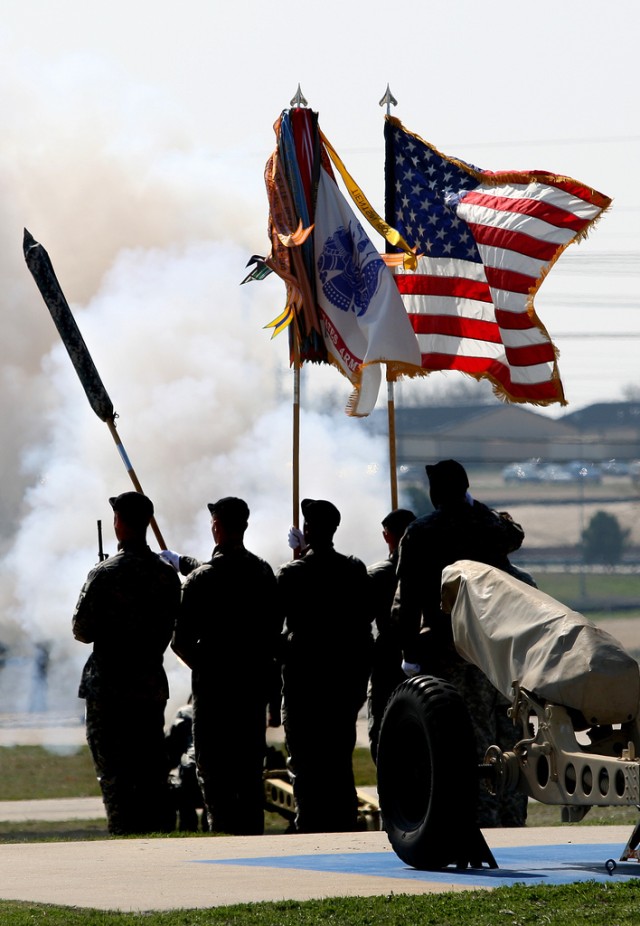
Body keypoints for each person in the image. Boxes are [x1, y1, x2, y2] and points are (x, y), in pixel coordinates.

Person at [392, 459, 531, 827]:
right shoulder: (486, 525)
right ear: (466, 490)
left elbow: (406, 604)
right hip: (499, 649)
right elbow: (514, 534)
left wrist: (409, 655)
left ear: (435, 493)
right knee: (509, 737)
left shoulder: (420, 532)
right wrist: (477, 506)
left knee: (469, 739)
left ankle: (481, 821)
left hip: (451, 648)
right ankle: (512, 820)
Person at [171, 497, 283, 835]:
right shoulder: (263, 573)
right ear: (244, 526)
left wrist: (210, 670)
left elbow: (180, 642)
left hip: (214, 696)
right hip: (252, 692)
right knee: (249, 778)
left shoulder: (201, 580)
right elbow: (273, 640)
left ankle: (224, 845)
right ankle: (254, 847)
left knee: (215, 780)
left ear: (216, 526)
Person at [72, 491, 180, 835]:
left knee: (116, 773)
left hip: (110, 688)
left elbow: (81, 630)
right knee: (150, 767)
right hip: (148, 683)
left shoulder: (104, 573)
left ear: (118, 523)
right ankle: (159, 832)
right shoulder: (166, 575)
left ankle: (125, 835)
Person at [278, 498, 373, 833]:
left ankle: (311, 828)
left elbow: (275, 628)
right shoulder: (353, 569)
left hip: (304, 685)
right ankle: (344, 824)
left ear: (306, 530)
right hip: (342, 684)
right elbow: (364, 630)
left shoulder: (293, 573)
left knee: (305, 765)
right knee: (337, 763)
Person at [366, 508, 416, 763]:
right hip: (424, 657)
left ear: (387, 536)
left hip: (387, 661)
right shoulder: (434, 571)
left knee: (383, 733)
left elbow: (360, 618)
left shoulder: (378, 574)